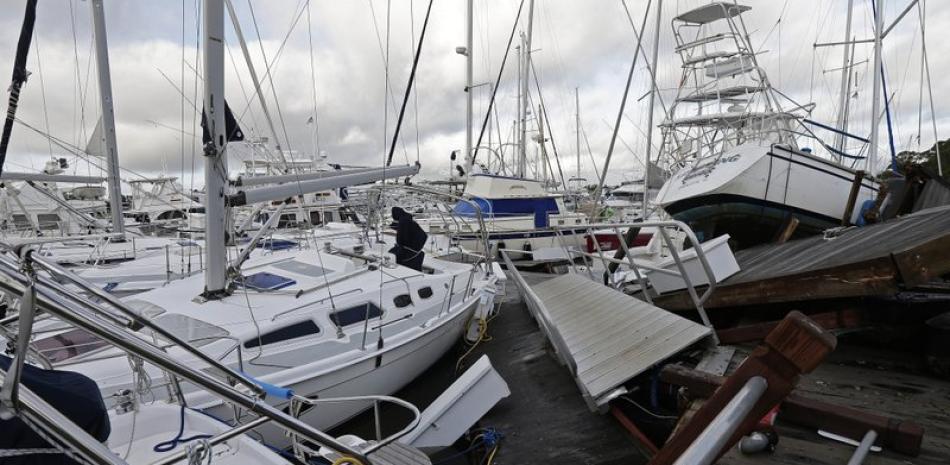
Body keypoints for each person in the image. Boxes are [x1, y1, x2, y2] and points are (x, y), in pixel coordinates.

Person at [390, 207, 427, 271]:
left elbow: (400, 239)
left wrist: (399, 245)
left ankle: (398, 270)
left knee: (394, 255)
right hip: (414, 246)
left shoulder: (403, 222)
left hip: (412, 248)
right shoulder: (406, 219)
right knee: (393, 252)